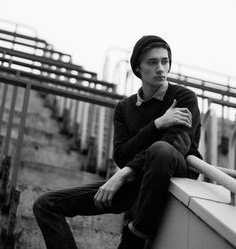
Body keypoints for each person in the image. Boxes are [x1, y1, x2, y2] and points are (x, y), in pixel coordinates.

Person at [33, 35, 202, 249]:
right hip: (135, 182)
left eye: (165, 61)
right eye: (152, 62)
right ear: (138, 68)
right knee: (45, 205)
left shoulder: (184, 97)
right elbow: (122, 155)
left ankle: (136, 234)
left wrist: (123, 173)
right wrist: (157, 124)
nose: (161, 68)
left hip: (173, 175)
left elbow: (177, 143)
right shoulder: (125, 107)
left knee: (161, 150)